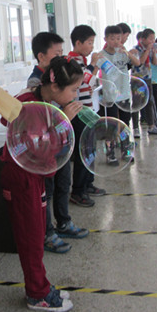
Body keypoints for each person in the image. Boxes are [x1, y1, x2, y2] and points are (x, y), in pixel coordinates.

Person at [1, 56, 84, 312]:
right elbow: (40, 146)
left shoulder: (46, 102)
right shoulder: (30, 103)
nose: (75, 95)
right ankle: (37, 294)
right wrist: (63, 121)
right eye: (73, 89)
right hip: (22, 178)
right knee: (31, 238)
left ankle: (41, 285)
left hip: (35, 175)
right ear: (55, 86)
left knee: (37, 236)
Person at [28, 33, 88, 254]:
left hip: (60, 149)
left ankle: (63, 222)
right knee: (47, 193)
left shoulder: (56, 86)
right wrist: (65, 118)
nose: (75, 95)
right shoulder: (35, 92)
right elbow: (40, 136)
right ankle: (48, 232)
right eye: (57, 54)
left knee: (64, 184)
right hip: (45, 155)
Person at [67, 25, 105, 207]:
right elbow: (84, 79)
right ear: (78, 43)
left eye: (92, 43)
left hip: (87, 111)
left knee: (91, 149)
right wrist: (94, 64)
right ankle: (78, 191)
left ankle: (88, 183)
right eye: (89, 42)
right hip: (79, 113)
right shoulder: (72, 61)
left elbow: (89, 83)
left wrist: (92, 67)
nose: (91, 46)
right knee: (84, 151)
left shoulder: (81, 60)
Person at [129, 28, 157, 137]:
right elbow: (140, 62)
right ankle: (135, 128)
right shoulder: (135, 50)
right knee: (137, 103)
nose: (152, 41)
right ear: (143, 39)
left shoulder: (151, 49)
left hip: (148, 78)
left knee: (150, 102)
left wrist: (153, 52)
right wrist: (147, 50)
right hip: (137, 79)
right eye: (150, 39)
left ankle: (152, 126)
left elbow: (154, 62)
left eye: (153, 38)